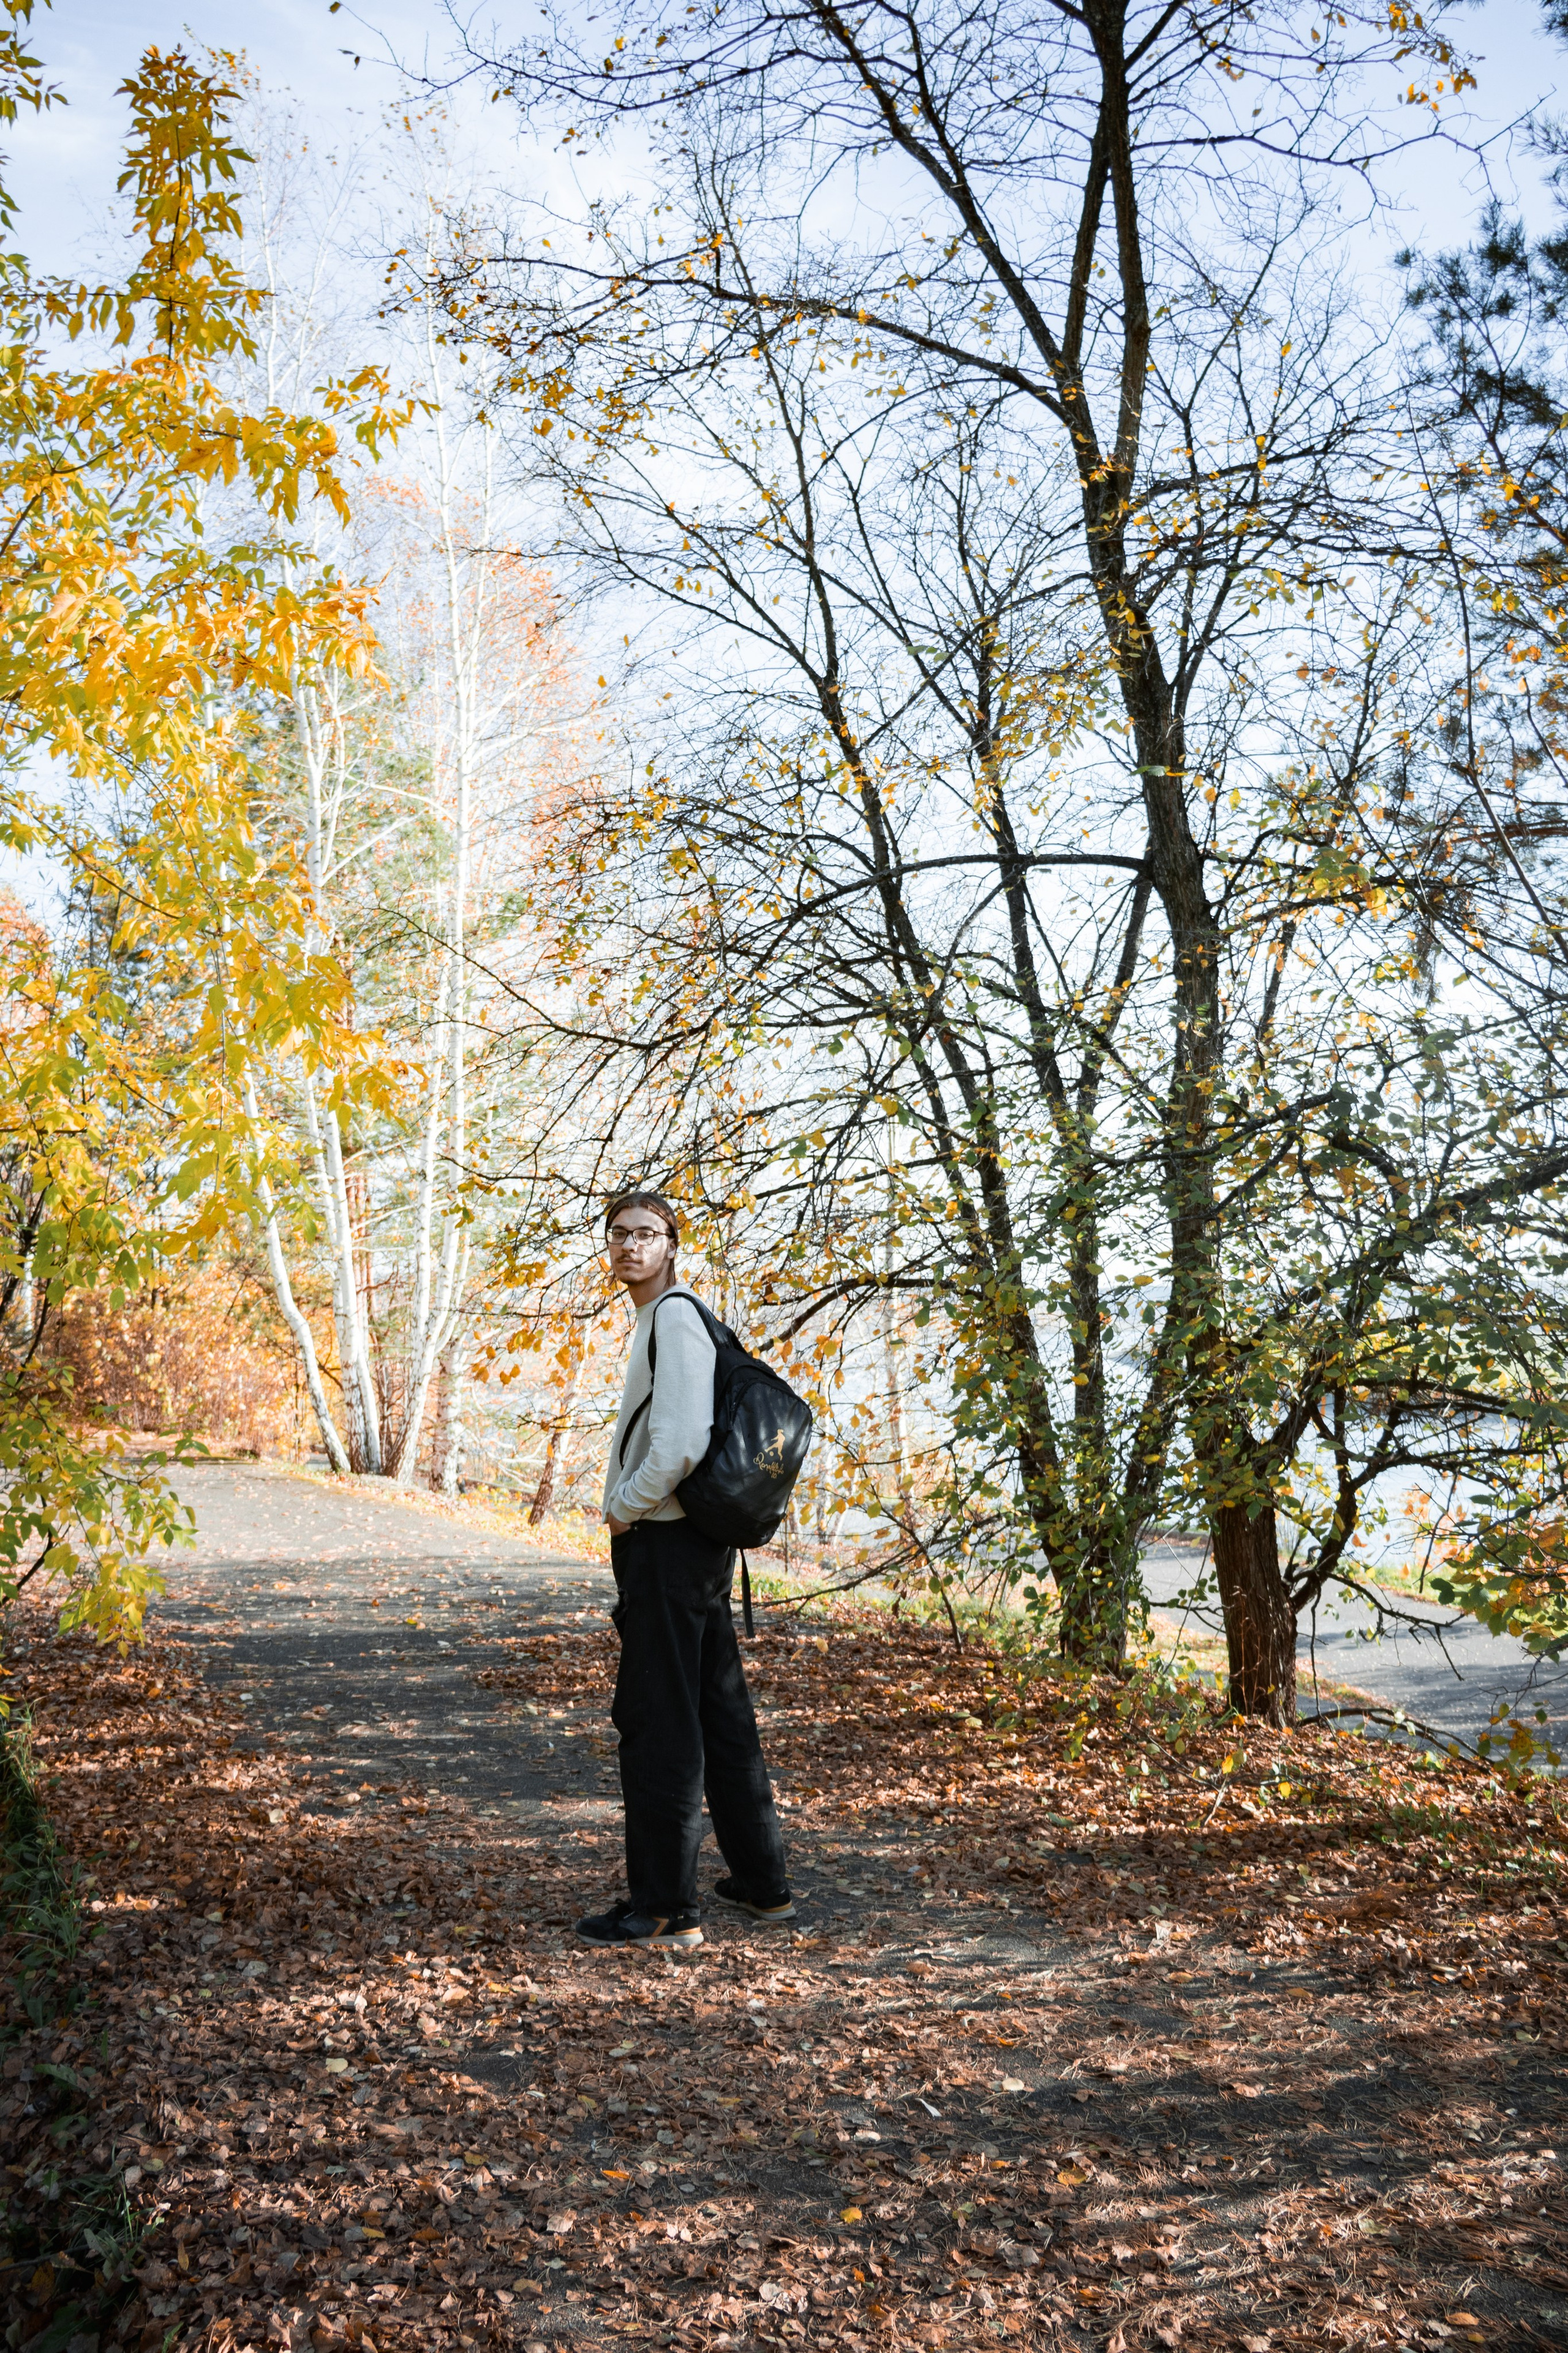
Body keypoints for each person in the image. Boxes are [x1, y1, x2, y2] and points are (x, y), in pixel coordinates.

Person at [576, 1188, 794, 1950]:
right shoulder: (669, 1317)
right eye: (618, 1235)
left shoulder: (672, 1314)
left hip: (666, 1544)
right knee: (719, 1715)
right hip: (692, 1548)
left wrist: (624, 1508)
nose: (629, 1246)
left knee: (658, 1722)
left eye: (646, 1234)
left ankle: (664, 1910)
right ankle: (763, 1886)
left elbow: (678, 1443)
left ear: (672, 1245)